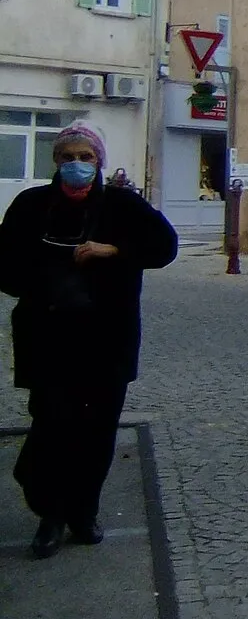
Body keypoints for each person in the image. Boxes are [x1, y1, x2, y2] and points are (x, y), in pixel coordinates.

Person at [0, 123, 177, 558]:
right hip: (48, 337)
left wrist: (114, 251)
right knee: (50, 427)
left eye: (86, 156)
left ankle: (83, 513)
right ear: (55, 162)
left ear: (99, 161)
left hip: (107, 340)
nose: (76, 165)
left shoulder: (122, 205)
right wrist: (41, 274)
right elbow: (4, 266)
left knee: (97, 432)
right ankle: (50, 513)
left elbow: (164, 247)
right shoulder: (31, 204)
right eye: (67, 157)